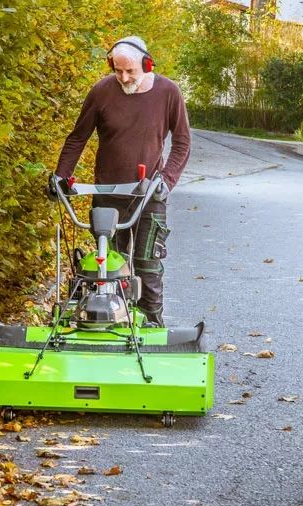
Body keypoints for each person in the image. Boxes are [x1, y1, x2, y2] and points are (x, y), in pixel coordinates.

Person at [49, 36, 192, 327]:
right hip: (107, 196)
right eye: (118, 71)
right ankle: (115, 327)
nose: (124, 78)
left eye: (130, 72)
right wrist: (60, 176)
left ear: (147, 65)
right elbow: (78, 138)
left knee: (147, 266)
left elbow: (182, 142)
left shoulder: (168, 92)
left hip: (148, 194)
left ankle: (152, 327)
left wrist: (167, 179)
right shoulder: (101, 91)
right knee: (109, 269)